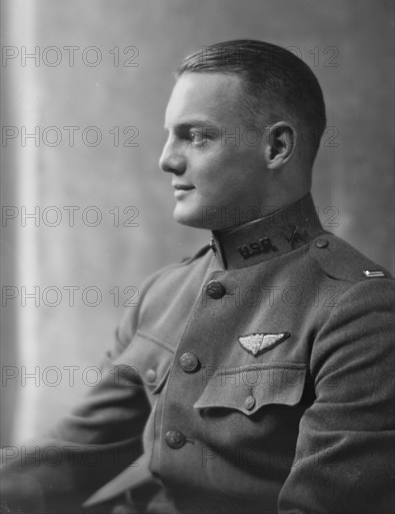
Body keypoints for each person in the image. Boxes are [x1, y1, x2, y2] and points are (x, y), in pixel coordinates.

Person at [1, 40, 394, 514]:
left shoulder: (359, 309)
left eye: (197, 136)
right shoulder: (163, 295)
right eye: (170, 135)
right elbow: (69, 459)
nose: (167, 159)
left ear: (277, 147)